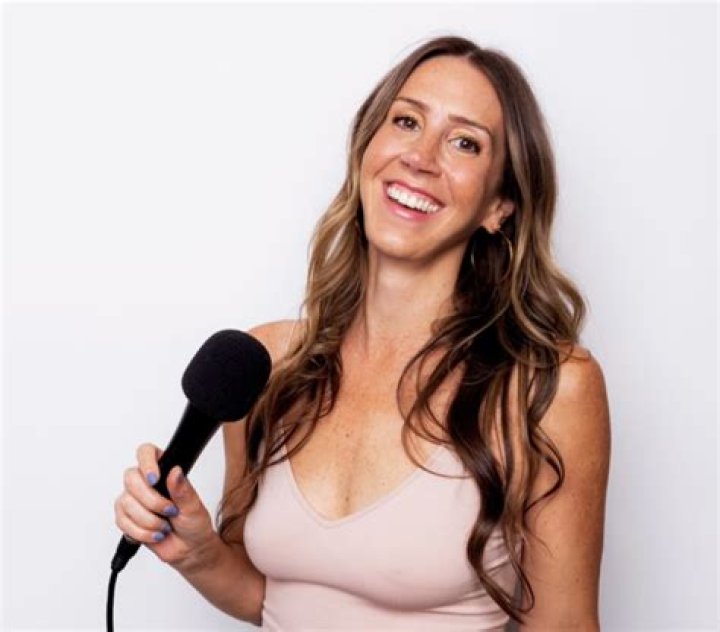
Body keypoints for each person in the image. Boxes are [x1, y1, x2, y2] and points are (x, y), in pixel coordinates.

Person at [114, 35, 611, 630]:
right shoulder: (268, 363)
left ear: (498, 206)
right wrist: (200, 555)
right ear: (366, 147)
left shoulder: (548, 389)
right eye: (406, 121)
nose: (420, 157)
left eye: (464, 142)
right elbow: (273, 599)